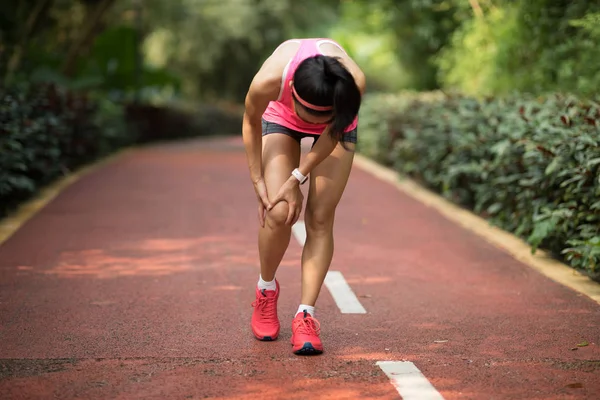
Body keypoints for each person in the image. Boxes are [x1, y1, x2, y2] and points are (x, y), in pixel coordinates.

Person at [241, 38, 365, 355]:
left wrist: (298, 175)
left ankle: (306, 315)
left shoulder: (352, 84)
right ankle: (266, 289)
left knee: (320, 217)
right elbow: (251, 121)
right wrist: (257, 179)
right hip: (280, 118)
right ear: (292, 86)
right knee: (279, 210)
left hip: (336, 129)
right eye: (307, 114)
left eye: (318, 117)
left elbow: (332, 133)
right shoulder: (270, 79)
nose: (311, 122)